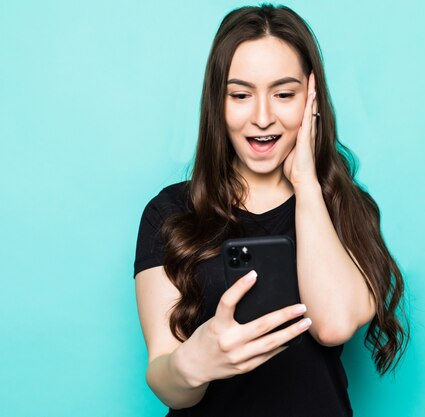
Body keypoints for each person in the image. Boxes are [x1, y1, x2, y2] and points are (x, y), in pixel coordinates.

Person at [133, 4, 407, 416]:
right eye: (240, 95)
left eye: (284, 94)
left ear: (312, 100)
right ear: (216, 104)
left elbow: (333, 326)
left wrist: (306, 184)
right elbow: (164, 377)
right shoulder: (168, 212)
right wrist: (194, 364)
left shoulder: (347, 207)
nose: (262, 117)